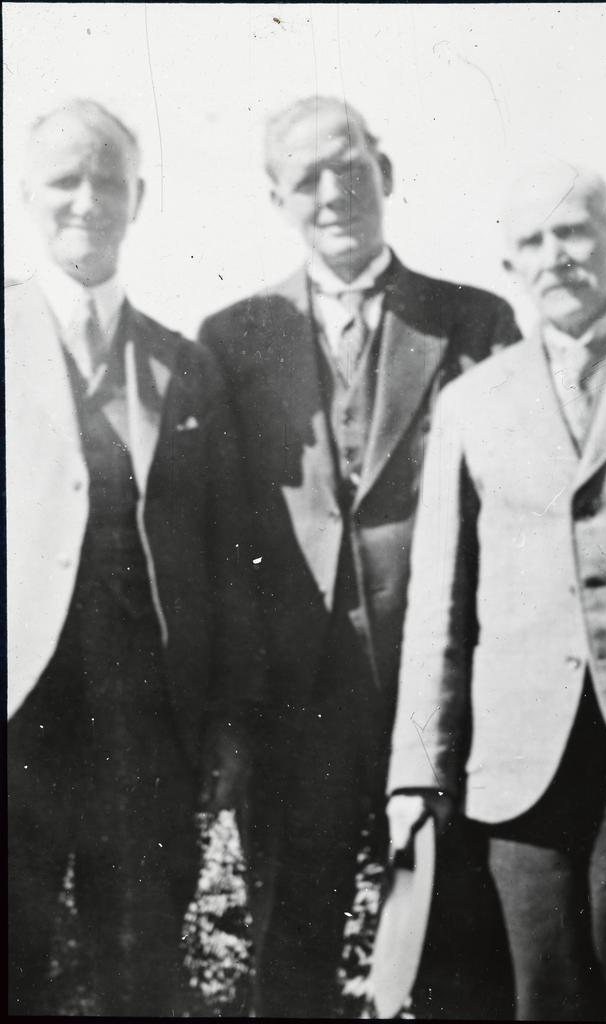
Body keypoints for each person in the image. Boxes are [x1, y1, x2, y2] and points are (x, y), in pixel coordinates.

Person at [198, 95, 520, 1018]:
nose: (334, 192)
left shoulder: (472, 321)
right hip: (292, 711)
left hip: (433, 705)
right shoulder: (233, 336)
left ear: (386, 173)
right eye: (307, 178)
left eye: (351, 167)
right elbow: (221, 543)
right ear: (276, 199)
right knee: (287, 957)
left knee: (454, 954)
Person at [387, 160, 606, 1022]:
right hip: (517, 769)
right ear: (508, 268)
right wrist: (416, 772)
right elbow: (438, 608)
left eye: (574, 232)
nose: (555, 256)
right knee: (541, 1001)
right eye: (532, 240)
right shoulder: (472, 402)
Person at [6, 98, 264, 1016]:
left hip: (144, 724)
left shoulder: (182, 364)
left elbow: (229, 559)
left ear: (138, 197)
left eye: (105, 180)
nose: (85, 200)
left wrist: (227, 720)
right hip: (15, 717)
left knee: (140, 966)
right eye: (63, 181)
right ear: (24, 194)